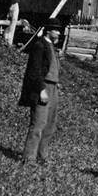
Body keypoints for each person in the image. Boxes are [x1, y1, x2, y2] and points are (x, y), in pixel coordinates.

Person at [19, 17, 65, 166]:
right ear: (48, 30)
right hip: (43, 87)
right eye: (56, 30)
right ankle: (29, 157)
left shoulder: (52, 46)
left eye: (59, 30)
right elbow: (34, 71)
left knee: (50, 125)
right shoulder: (39, 45)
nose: (58, 33)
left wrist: (56, 84)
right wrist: (41, 90)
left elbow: (52, 68)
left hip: (53, 88)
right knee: (39, 123)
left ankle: (42, 156)